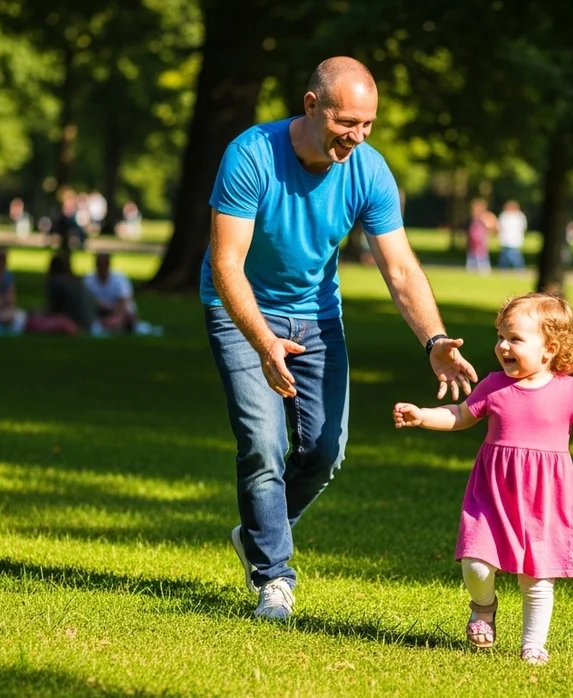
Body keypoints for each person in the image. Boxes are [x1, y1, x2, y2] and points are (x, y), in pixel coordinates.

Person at [203, 56, 477, 621]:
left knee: (326, 452)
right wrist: (263, 342)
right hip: (241, 309)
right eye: (345, 122)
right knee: (263, 444)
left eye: (367, 124)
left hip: (317, 316)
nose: (356, 136)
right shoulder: (250, 154)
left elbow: (399, 269)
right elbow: (226, 264)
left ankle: (257, 531)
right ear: (311, 106)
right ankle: (274, 577)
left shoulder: (369, 171)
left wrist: (435, 340)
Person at [391, 293, 573, 665]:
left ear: (549, 349)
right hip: (493, 494)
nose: (502, 346)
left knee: (537, 578)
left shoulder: (568, 390)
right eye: (500, 337)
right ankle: (483, 606)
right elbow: (459, 415)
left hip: (545, 498)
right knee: (475, 563)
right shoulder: (493, 386)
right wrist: (423, 415)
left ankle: (533, 644)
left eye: (515, 339)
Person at [83, 253, 137, 333]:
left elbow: (124, 302)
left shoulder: (119, 279)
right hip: (98, 311)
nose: (101, 268)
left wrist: (117, 317)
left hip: (119, 312)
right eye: (99, 264)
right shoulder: (88, 279)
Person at [466, 198, 496, 274]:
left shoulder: (485, 216)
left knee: (482, 254)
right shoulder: (474, 217)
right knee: (472, 254)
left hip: (481, 241)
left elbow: (492, 226)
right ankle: (472, 268)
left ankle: (484, 268)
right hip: (473, 242)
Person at [495, 200, 527, 271]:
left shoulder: (520, 216)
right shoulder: (504, 215)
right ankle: (503, 268)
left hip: (515, 239)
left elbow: (523, 228)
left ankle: (519, 269)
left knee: (516, 256)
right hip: (505, 239)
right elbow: (499, 227)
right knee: (504, 255)